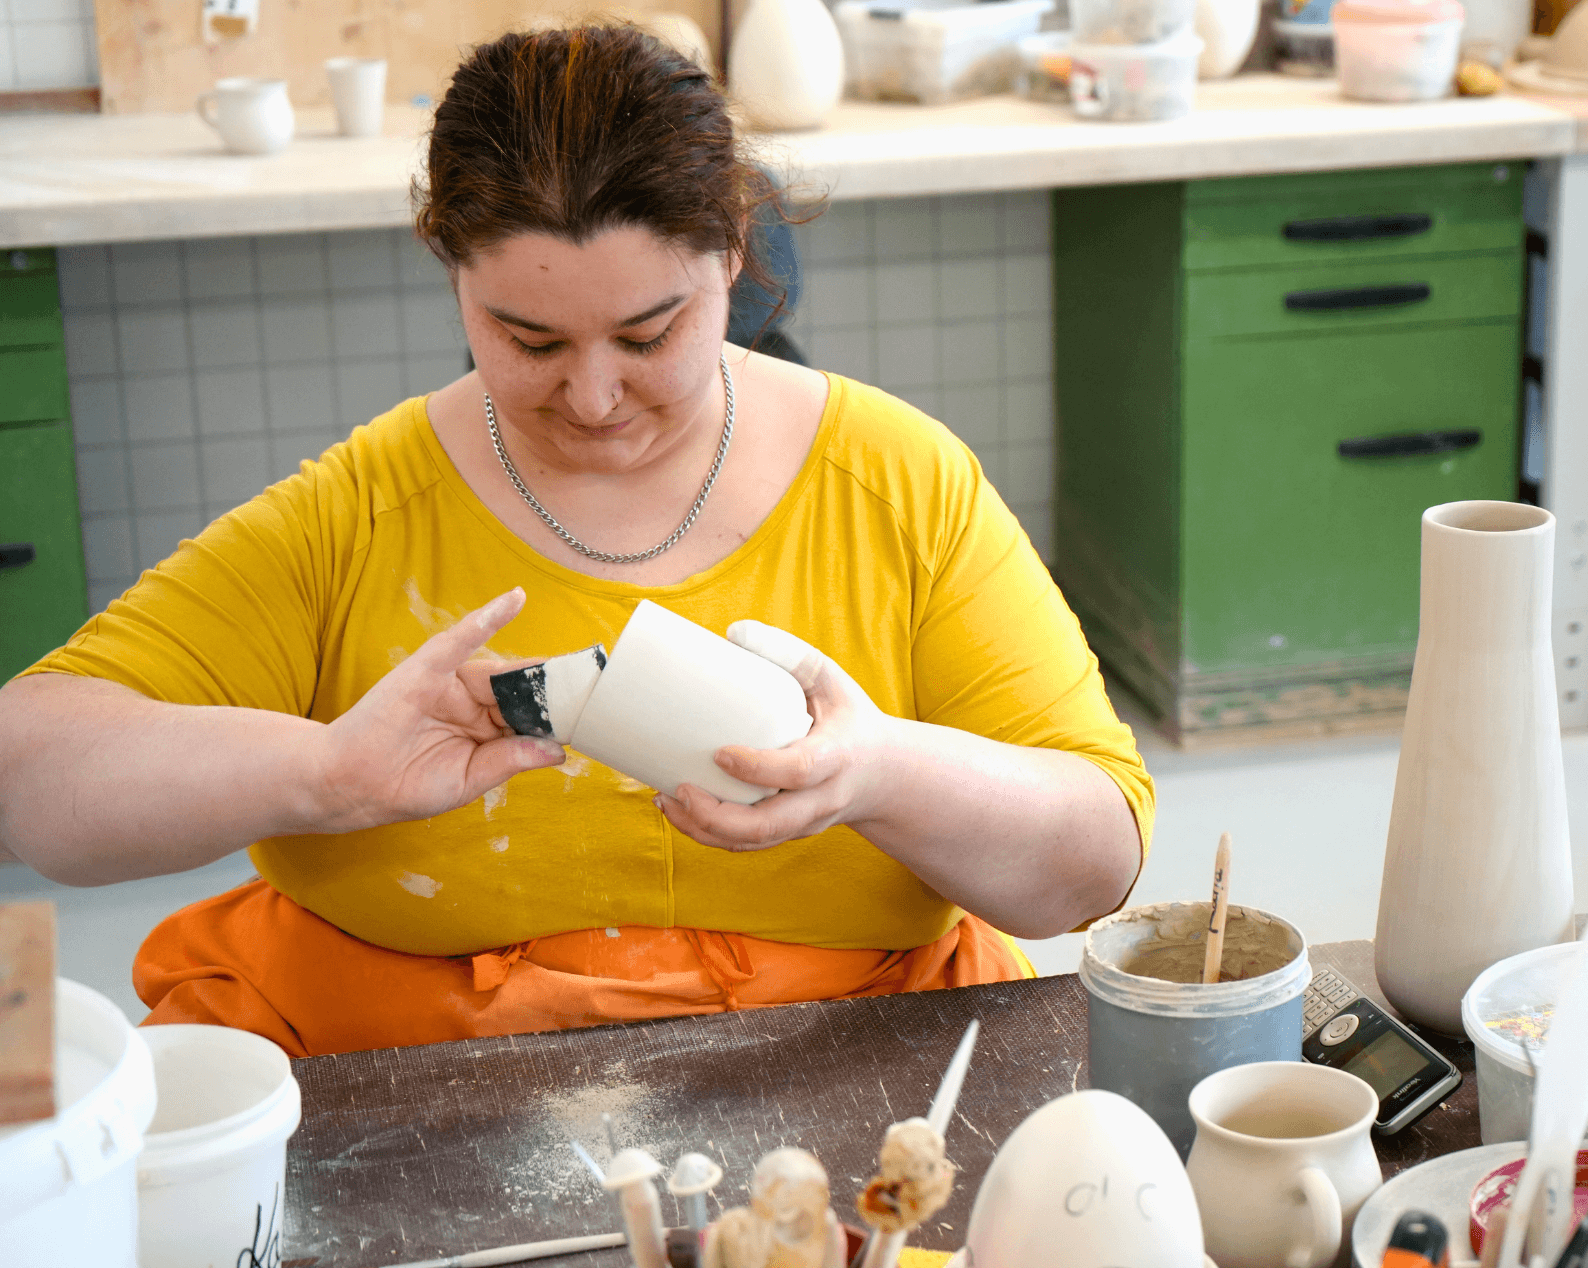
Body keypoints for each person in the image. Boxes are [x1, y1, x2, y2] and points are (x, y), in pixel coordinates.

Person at [0, 25, 1151, 1058]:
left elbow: (1093, 861)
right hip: (406, 1075)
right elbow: (31, 772)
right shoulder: (364, 510)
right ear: (450, 270)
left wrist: (882, 771)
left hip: (837, 1054)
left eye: (649, 333)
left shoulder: (896, 483)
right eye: (527, 337)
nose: (594, 398)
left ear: (733, 252)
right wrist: (326, 775)